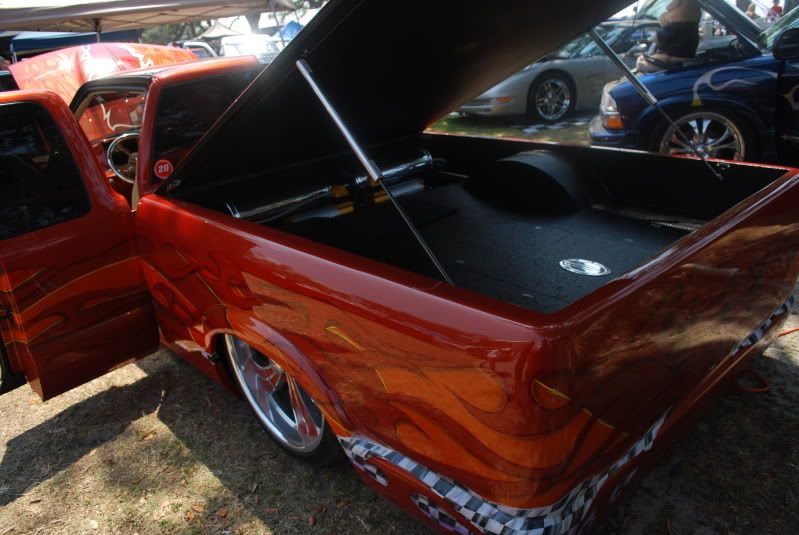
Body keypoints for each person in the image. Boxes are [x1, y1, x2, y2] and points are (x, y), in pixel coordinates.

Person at [637, 0, 701, 73]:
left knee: (641, 63)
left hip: (669, 60)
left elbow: (659, 38)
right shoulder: (693, 29)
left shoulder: (671, 29)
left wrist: (652, 38)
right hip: (686, 57)